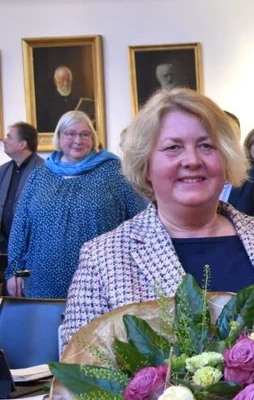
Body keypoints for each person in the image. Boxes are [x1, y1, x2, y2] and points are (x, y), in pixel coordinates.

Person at [61, 88, 254, 354]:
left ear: (227, 157)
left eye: (206, 146)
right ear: (145, 165)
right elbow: (80, 369)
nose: (192, 160)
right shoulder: (103, 258)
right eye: (173, 148)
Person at [5, 111, 147, 299]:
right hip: (43, 281)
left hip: (100, 279)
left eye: (84, 134)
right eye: (70, 133)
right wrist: (14, 270)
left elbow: (140, 219)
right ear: (59, 137)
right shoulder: (40, 175)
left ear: (93, 137)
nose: (77, 140)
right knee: (46, 328)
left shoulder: (113, 171)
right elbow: (20, 226)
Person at [0, 123, 44, 258]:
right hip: (3, 247)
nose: (4, 140)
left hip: (31, 248)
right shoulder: (2, 170)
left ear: (22, 144)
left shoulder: (44, 170)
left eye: (9, 137)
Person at [38, 66, 83, 132]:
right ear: (56, 81)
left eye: (68, 80)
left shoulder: (77, 100)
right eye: (62, 79)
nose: (65, 83)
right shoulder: (47, 101)